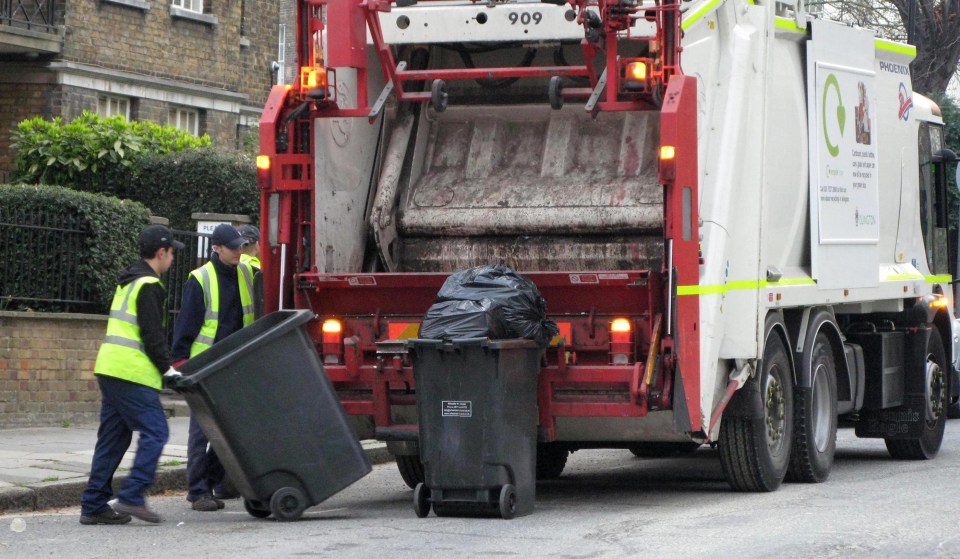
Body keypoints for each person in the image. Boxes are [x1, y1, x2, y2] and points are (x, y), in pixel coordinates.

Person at [79, 224, 185, 525]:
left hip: (110, 368)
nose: (173, 259)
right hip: (130, 372)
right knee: (156, 431)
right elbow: (152, 335)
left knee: (113, 440)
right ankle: (132, 495)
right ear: (161, 252)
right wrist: (168, 369)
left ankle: (94, 504)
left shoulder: (128, 281)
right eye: (172, 253)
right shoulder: (149, 284)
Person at [172, 223, 255, 511]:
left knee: (232, 431)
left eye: (241, 246)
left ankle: (215, 482)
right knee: (202, 431)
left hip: (235, 364)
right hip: (206, 366)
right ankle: (197, 492)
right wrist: (181, 365)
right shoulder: (200, 279)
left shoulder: (247, 272)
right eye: (233, 247)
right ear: (216, 248)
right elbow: (186, 325)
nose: (239, 251)